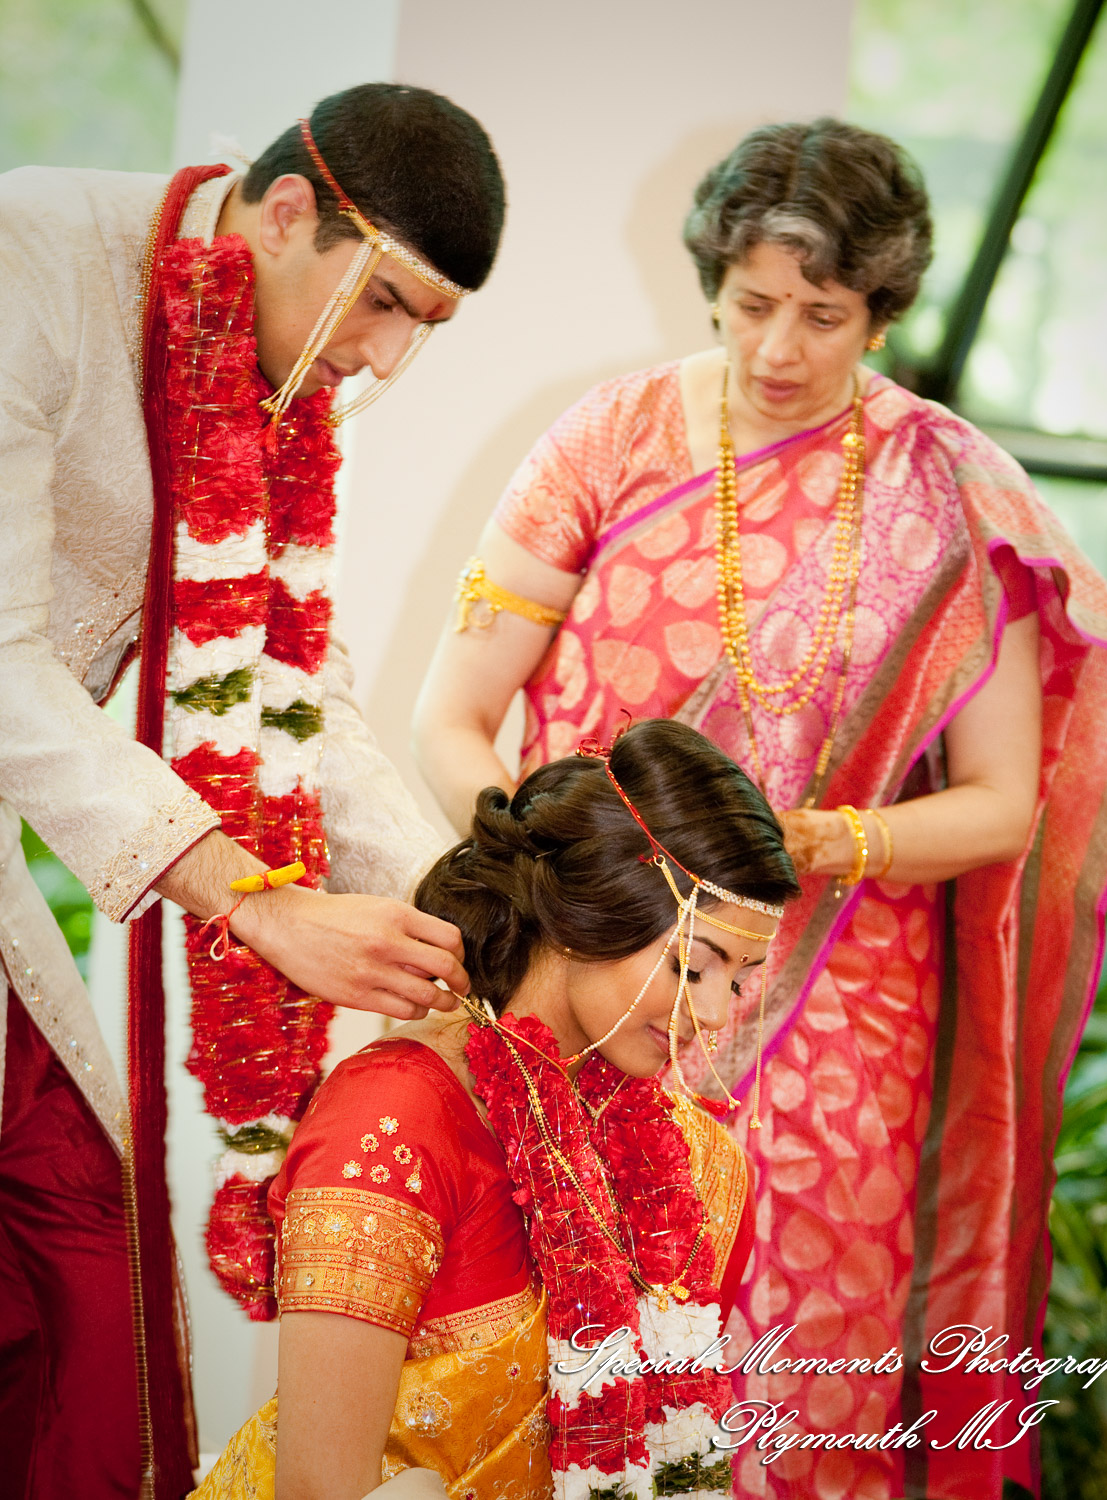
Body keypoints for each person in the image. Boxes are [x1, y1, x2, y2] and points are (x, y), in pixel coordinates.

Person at [411, 119, 1107, 1500]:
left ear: (878, 314)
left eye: (822, 316)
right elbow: (449, 716)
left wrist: (827, 843)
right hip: (600, 985)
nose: (777, 348)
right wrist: (561, 885)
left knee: (797, 1382)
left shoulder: (944, 490)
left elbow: (1003, 803)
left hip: (839, 1033)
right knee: (557, 1369)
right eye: (752, 304)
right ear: (710, 278)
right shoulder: (610, 438)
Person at [0, 84, 503, 1499]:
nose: (385, 358)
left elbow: (298, 702)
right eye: (387, 304)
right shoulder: (33, 257)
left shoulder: (270, 385)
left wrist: (460, 918)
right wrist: (257, 905)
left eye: (424, 329)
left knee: (84, 1281)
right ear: (288, 214)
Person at [193, 718, 800, 1500]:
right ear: (591, 915)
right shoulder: (392, 1124)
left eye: (741, 979)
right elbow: (321, 1488)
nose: (716, 1014)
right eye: (692, 964)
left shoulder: (697, 1169)